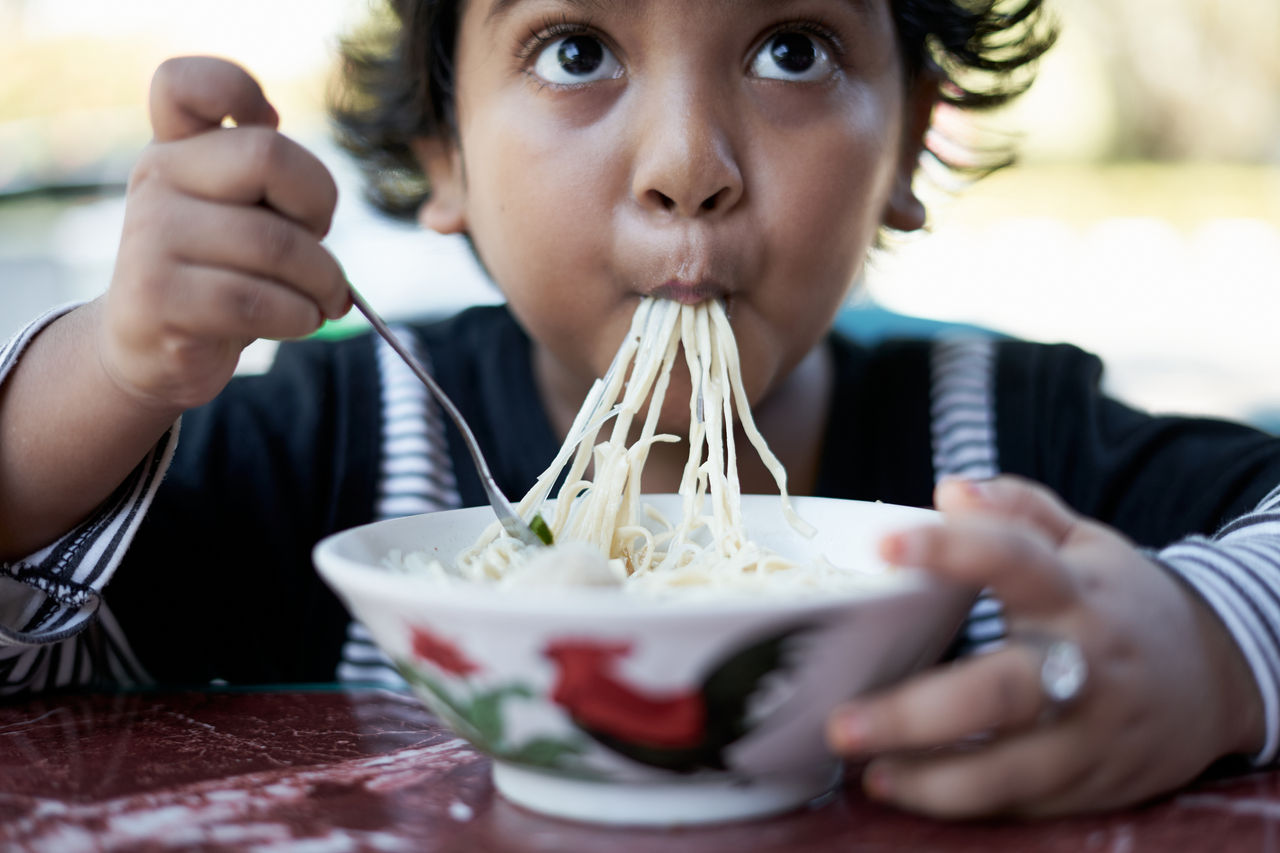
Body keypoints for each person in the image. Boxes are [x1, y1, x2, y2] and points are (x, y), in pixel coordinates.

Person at [1, 0, 1278, 820]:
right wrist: (113, 374)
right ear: (444, 153)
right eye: (575, 51)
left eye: (792, 49)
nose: (685, 167)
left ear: (909, 141)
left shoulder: (1004, 446)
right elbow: (31, 647)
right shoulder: (343, 436)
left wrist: (1210, 659)